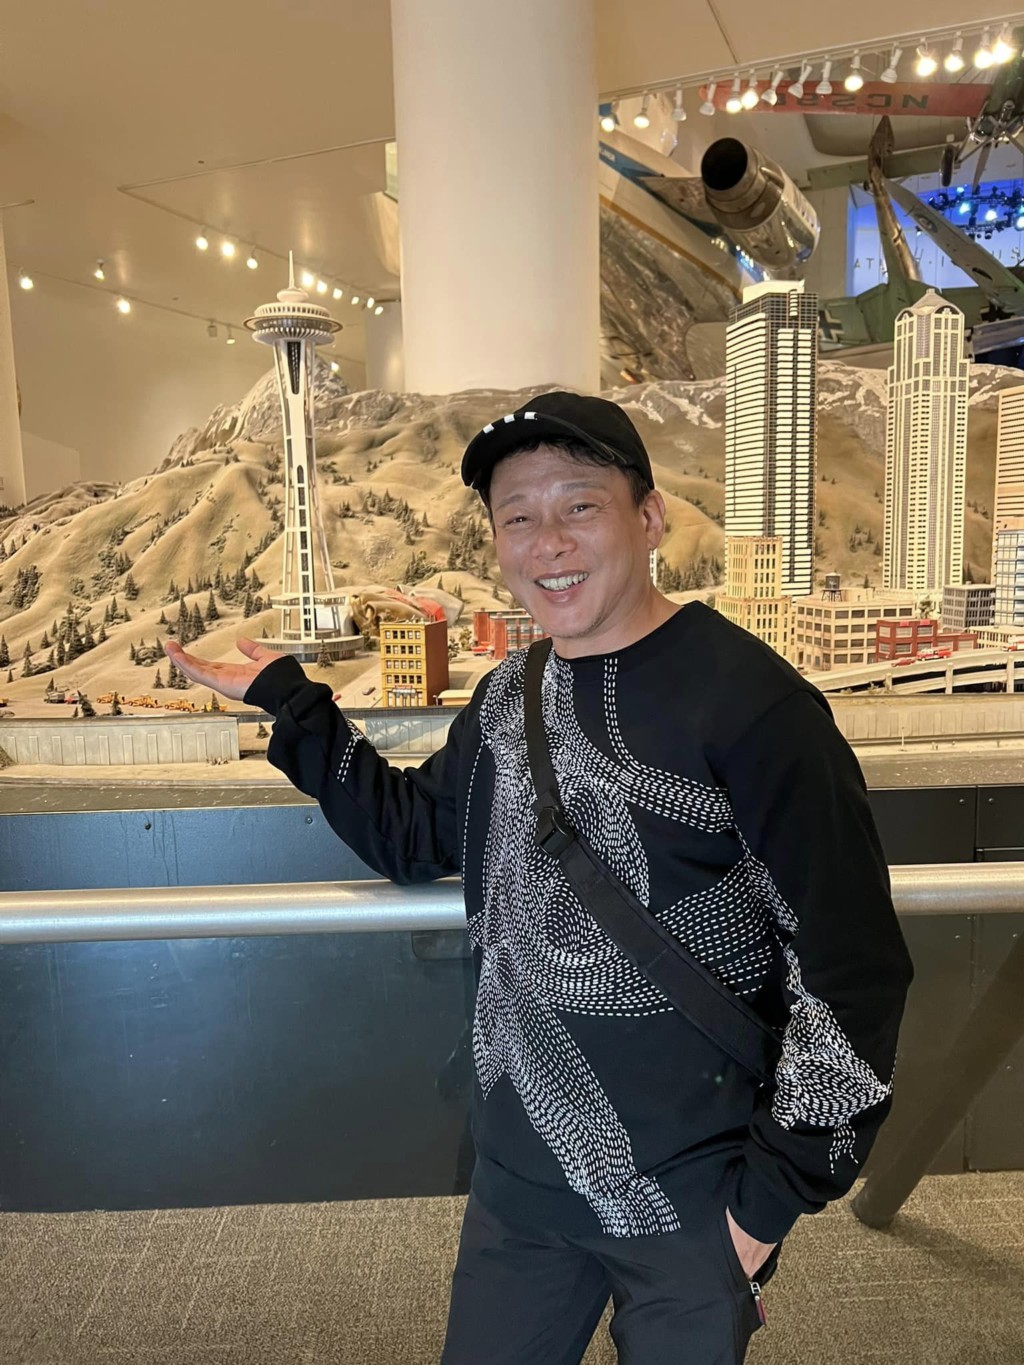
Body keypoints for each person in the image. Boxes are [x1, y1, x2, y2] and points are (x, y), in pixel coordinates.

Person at [166, 391, 914, 1364]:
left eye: (580, 505)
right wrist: (292, 704)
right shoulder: (509, 696)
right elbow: (413, 834)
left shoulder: (754, 706)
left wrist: (759, 1214)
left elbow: (852, 976)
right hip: (518, 1189)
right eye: (517, 516)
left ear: (649, 518)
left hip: (694, 1201)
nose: (548, 541)